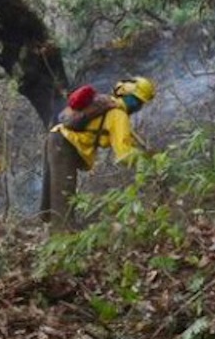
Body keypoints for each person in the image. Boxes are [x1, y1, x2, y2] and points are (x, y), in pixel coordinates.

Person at [41, 77, 156, 232]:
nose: (138, 107)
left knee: (54, 192)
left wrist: (140, 150)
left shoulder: (108, 104)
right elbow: (124, 155)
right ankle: (62, 237)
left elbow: (125, 141)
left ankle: (54, 231)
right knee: (64, 194)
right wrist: (146, 165)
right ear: (131, 98)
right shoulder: (118, 115)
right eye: (138, 102)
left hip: (57, 138)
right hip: (65, 144)